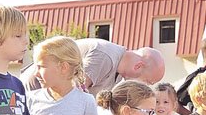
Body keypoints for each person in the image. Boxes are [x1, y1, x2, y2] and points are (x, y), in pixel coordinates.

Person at [21, 37, 165, 96]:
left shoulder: (118, 72)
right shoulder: (105, 56)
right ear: (138, 66)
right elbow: (74, 90)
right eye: (146, 82)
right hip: (36, 88)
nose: (142, 87)